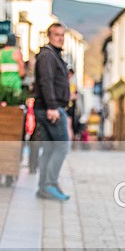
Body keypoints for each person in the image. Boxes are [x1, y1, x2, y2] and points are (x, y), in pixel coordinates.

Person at [33, 23, 71, 201]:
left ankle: (44, 188)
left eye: (62, 35)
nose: (60, 38)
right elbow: (46, 81)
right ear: (49, 36)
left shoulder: (53, 55)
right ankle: (50, 184)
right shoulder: (48, 55)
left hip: (48, 107)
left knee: (49, 149)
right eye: (57, 35)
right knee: (62, 146)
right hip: (51, 108)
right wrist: (52, 106)